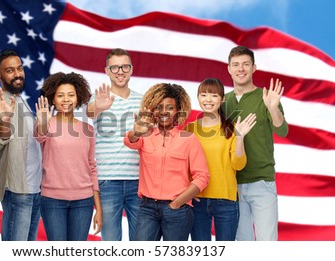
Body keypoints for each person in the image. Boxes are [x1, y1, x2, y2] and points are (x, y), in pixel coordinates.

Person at [123, 83, 210, 241]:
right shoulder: (145, 135)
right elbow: (130, 141)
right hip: (147, 209)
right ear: (152, 110)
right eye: (159, 107)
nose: (163, 112)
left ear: (178, 111)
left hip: (177, 210)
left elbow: (202, 177)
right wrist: (136, 131)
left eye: (169, 107)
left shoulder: (189, 139)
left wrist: (177, 203)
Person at [222, 46, 289, 241]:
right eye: (236, 65)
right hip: (233, 184)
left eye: (245, 64)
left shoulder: (266, 98)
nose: (240, 69)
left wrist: (273, 108)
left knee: (267, 244)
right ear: (229, 69)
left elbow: (282, 130)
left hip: (262, 181)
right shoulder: (223, 102)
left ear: (254, 68)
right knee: (243, 245)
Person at [184, 78, 256, 241]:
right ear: (198, 98)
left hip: (226, 200)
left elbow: (238, 165)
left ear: (222, 99)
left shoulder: (232, 128)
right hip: (198, 200)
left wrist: (239, 137)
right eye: (203, 95)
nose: (208, 100)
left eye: (214, 95)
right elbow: (182, 165)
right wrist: (188, 191)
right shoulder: (189, 129)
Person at [34, 72, 102, 241]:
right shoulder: (46, 123)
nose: (66, 99)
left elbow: (91, 166)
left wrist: (98, 208)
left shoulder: (87, 129)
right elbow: (39, 136)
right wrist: (42, 122)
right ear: (53, 99)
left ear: (78, 98)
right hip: (52, 200)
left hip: (83, 201)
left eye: (71, 95)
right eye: (60, 95)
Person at [86, 48, 142, 241]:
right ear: (107, 71)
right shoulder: (99, 98)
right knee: (111, 243)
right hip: (108, 182)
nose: (120, 71)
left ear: (131, 69)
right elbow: (90, 113)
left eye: (125, 66)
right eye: (115, 67)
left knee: (142, 241)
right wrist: (98, 107)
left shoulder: (142, 101)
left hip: (139, 181)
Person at [0, 49, 42, 241]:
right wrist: (4, 121)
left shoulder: (22, 101)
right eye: (10, 70)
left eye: (19, 68)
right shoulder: (0, 102)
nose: (17, 74)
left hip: (35, 190)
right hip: (18, 190)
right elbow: (2, 138)